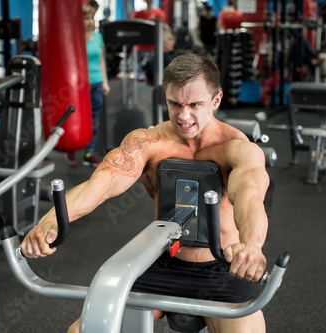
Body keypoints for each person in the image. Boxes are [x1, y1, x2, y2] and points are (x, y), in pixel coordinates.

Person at [21, 54, 270, 333]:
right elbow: (99, 186)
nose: (183, 116)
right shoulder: (148, 142)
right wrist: (50, 221)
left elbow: (250, 197)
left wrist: (251, 246)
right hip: (162, 263)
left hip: (220, 270)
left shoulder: (238, 149)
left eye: (194, 105)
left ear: (216, 100)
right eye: (175, 104)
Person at [66, 3, 110, 167]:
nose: (90, 21)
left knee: (94, 119)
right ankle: (71, 149)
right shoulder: (74, 39)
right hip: (78, 86)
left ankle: (88, 152)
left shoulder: (97, 37)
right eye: (86, 18)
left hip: (97, 82)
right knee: (75, 117)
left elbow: (101, 61)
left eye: (91, 18)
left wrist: (105, 82)